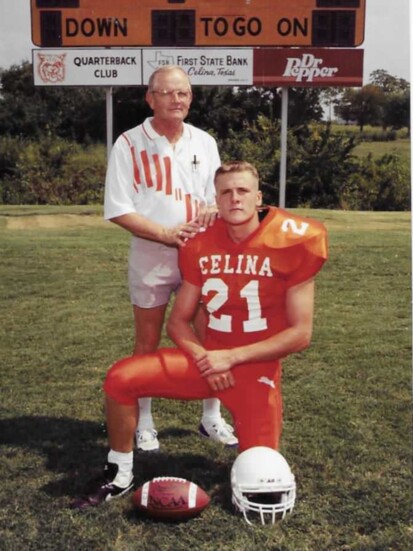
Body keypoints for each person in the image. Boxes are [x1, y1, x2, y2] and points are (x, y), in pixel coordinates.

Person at [73, 160, 328, 510]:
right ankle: (119, 472)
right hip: (207, 363)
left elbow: (301, 334)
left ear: (259, 197)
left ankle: (247, 452)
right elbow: (177, 321)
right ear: (216, 200)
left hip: (256, 372)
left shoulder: (293, 240)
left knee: (261, 480)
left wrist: (231, 357)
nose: (234, 199)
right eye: (226, 192)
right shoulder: (200, 242)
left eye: (242, 191)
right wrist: (207, 359)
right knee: (121, 378)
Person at [104, 65, 237, 451]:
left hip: (200, 255)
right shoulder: (128, 143)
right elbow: (117, 208)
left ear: (191, 99)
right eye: (167, 93)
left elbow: (217, 194)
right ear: (150, 98)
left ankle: (211, 417)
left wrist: (213, 208)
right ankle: (145, 422)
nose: (176, 100)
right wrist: (164, 233)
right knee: (146, 342)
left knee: (210, 338)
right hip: (152, 253)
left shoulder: (204, 141)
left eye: (183, 93)